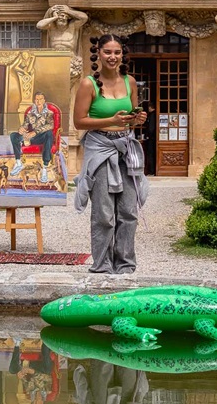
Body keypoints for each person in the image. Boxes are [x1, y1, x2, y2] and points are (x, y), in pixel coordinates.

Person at [73, 35, 149, 274]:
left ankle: (125, 265)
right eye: (107, 52)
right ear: (98, 53)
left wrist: (137, 119)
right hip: (101, 149)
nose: (113, 57)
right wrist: (111, 120)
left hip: (125, 147)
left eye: (117, 52)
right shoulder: (88, 84)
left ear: (122, 54)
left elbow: (131, 120)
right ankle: (103, 266)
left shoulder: (130, 82)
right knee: (104, 214)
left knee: (128, 211)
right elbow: (79, 121)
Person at [10, 91, 56, 171]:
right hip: (31, 138)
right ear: (34, 101)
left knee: (49, 134)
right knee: (13, 135)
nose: (38, 102)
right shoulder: (30, 113)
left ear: (44, 100)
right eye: (36, 99)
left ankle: (45, 166)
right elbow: (26, 124)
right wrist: (22, 129)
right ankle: (18, 162)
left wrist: (35, 132)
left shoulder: (49, 113)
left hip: (42, 137)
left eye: (40, 99)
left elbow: (50, 126)